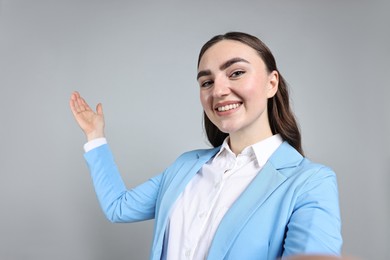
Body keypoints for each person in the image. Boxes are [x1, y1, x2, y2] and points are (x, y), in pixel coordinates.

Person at [70, 32, 342, 260]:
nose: (218, 91)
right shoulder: (185, 167)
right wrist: (95, 136)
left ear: (272, 83)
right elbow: (119, 207)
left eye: (236, 73)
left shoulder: (309, 182)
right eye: (207, 82)